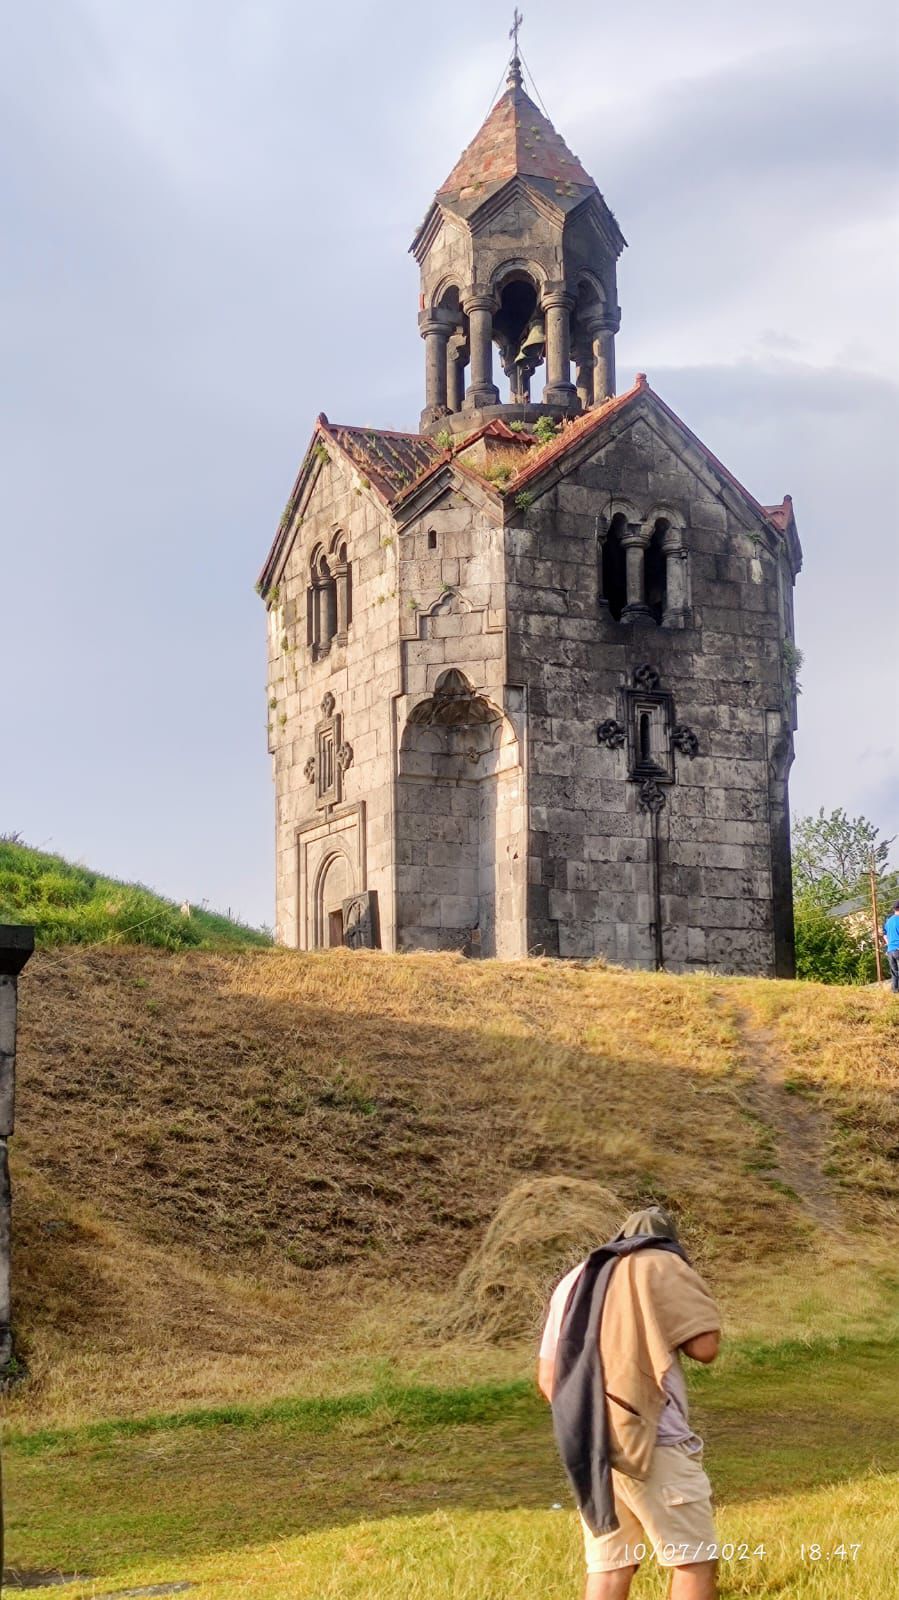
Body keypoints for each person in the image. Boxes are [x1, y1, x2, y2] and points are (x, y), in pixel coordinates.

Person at [538, 1206, 721, 1600]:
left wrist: (598, 1417)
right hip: (653, 1440)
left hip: (591, 1446)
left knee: (611, 1567)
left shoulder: (575, 1278)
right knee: (694, 1560)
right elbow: (705, 1347)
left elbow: (547, 1379)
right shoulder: (661, 1264)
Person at [883, 901, 899, 994]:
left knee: (895, 973)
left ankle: (895, 991)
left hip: (890, 950)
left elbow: (885, 935)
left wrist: (889, 945)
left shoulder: (889, 921)